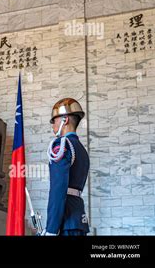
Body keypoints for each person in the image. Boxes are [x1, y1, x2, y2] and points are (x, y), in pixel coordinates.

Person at [42, 98, 90, 236]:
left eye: (54, 120)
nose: (52, 125)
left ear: (65, 120)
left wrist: (51, 229)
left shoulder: (62, 146)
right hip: (78, 220)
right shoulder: (81, 149)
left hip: (65, 221)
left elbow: (58, 188)